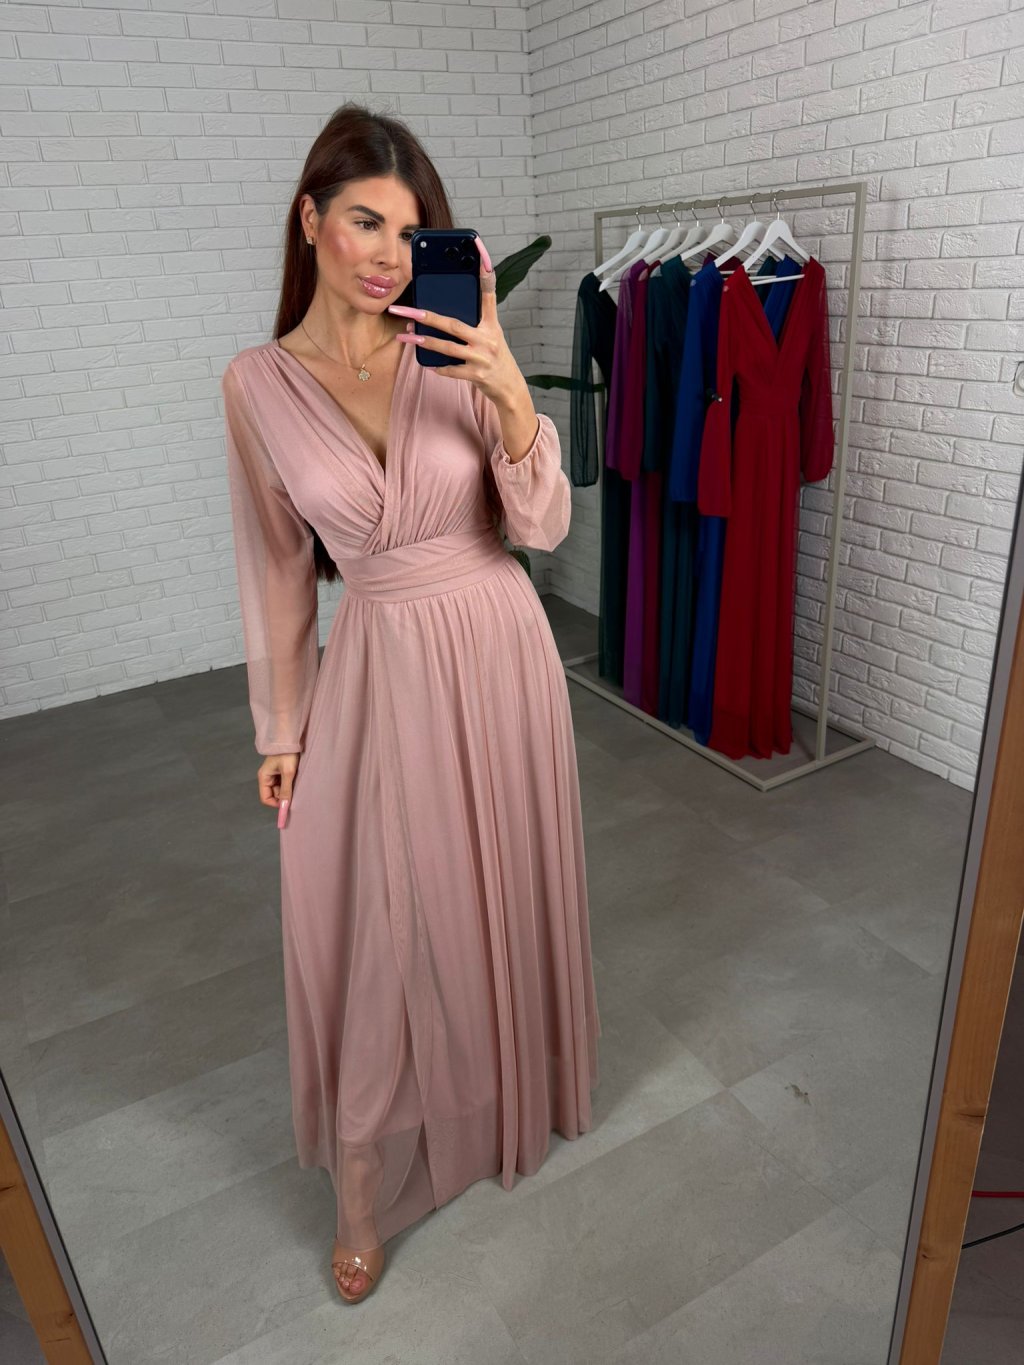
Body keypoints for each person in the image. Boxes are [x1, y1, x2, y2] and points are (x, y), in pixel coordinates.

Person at [221, 104, 600, 1304]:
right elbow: (277, 571)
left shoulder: (453, 345)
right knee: (377, 923)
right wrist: (282, 729)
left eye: (410, 228)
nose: (388, 254)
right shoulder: (257, 385)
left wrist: (506, 390)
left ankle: (503, 1097)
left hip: (499, 645)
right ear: (310, 220)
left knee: (497, 878)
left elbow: (542, 525)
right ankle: (363, 1183)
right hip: (379, 663)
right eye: (364, 222)